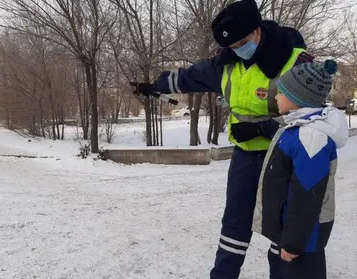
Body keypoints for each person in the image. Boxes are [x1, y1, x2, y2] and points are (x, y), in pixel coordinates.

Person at [131, 0, 314, 278]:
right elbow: (191, 77)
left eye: (242, 42)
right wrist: (153, 85)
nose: (239, 49)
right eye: (232, 46)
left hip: (283, 158)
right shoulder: (227, 63)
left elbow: (313, 117)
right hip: (244, 156)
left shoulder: (295, 61)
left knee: (281, 228)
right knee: (234, 224)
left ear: (257, 31)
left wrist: (263, 129)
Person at [252, 60, 347, 279]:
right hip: (288, 235)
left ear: (297, 98)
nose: (275, 97)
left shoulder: (311, 137)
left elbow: (307, 196)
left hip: (301, 242)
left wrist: (293, 243)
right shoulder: (296, 129)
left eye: (281, 92)